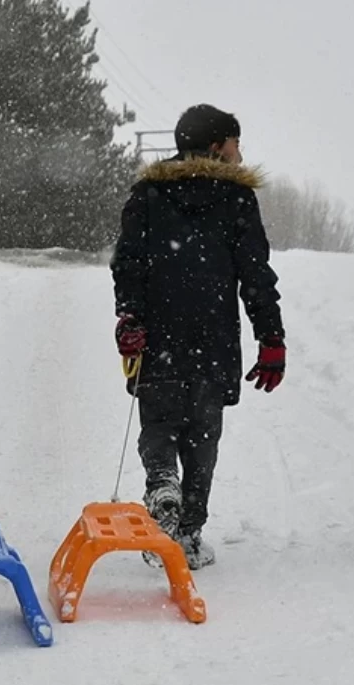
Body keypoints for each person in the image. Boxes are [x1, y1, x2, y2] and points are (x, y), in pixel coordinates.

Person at [110, 104, 286, 570]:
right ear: (216, 146)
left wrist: (130, 316)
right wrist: (271, 337)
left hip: (158, 337)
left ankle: (161, 483)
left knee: (159, 423)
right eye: (235, 143)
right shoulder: (237, 199)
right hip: (213, 339)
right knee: (202, 436)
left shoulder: (149, 193)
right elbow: (256, 275)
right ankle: (187, 534)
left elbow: (127, 263)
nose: (239, 153)